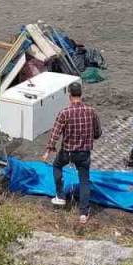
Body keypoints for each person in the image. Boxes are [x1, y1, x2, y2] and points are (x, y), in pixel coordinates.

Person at [41, 82, 101, 223]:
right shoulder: (92, 111)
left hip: (67, 152)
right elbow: (98, 133)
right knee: (84, 181)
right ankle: (83, 214)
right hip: (84, 153)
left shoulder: (64, 113)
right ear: (81, 94)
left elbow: (55, 134)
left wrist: (47, 151)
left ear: (69, 96)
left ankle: (60, 196)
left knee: (56, 166)